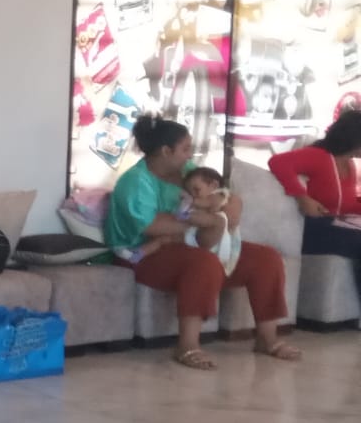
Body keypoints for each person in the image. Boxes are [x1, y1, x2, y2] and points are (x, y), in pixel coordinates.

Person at [106, 114, 301, 371]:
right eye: (185, 149)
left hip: (191, 245)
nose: (190, 154)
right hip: (143, 254)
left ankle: (267, 338)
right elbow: (153, 226)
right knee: (203, 262)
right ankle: (187, 345)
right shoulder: (134, 181)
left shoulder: (188, 172)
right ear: (166, 151)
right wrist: (210, 221)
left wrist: (225, 211)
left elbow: (225, 197)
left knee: (266, 259)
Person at [269, 108, 361, 300]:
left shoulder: (350, 165)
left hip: (337, 227)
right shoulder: (318, 156)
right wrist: (302, 197)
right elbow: (277, 162)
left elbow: (345, 205)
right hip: (313, 230)